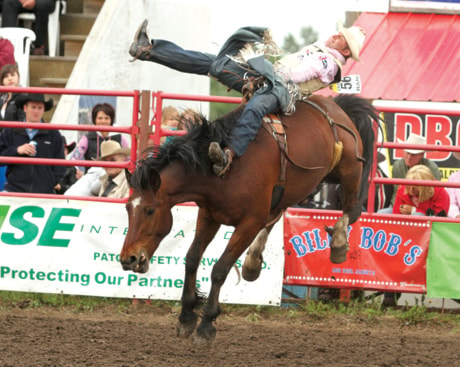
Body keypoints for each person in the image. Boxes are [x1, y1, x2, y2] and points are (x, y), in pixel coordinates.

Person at [129, 19, 366, 176]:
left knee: (253, 105)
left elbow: (297, 73)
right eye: (340, 32)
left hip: (279, 88)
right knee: (213, 63)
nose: (336, 35)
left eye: (343, 37)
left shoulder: (327, 62)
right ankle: (149, 50)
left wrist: (266, 72)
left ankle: (228, 155)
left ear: (345, 51)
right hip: (269, 79)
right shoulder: (324, 52)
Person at [383, 164, 449, 308]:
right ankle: (389, 293)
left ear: (425, 186)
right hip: (403, 235)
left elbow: (440, 218)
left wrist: (414, 211)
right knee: (380, 215)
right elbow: (395, 215)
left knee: (419, 216)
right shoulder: (403, 188)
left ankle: (391, 294)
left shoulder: (439, 192)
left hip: (428, 237)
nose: (411, 190)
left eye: (416, 187)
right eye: (410, 185)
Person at [0, 93, 65, 193]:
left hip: (44, 191)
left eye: (40, 108)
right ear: (25, 108)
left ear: (44, 110)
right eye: (33, 107)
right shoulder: (11, 131)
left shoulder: (54, 134)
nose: (36, 111)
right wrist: (17, 150)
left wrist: (51, 182)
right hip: (14, 189)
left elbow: (60, 164)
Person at [379, 133, 441, 213]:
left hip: (423, 210)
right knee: (381, 213)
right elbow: (396, 193)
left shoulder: (432, 169)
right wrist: (400, 208)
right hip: (401, 206)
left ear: (421, 154)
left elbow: (433, 196)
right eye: (407, 152)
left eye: (413, 154)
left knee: (417, 216)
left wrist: (413, 210)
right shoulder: (398, 166)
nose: (409, 157)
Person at [69, 102, 130, 178]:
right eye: (100, 118)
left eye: (106, 118)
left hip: (115, 177)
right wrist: (78, 172)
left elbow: (129, 160)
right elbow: (73, 159)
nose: (103, 121)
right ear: (95, 120)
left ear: (111, 120)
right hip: (93, 177)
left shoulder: (120, 138)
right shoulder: (87, 138)